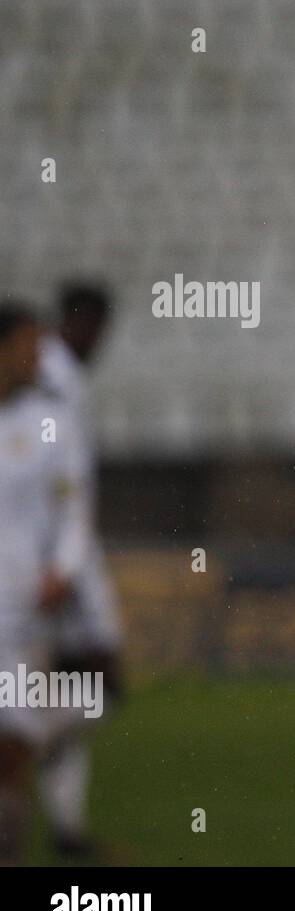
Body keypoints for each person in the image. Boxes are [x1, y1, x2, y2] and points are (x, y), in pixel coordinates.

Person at [0, 300, 91, 863]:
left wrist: (65, 568)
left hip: (22, 609)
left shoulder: (50, 422)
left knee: (14, 745)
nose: (40, 357)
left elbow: (74, 510)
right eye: (30, 345)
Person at [37, 281, 123, 860]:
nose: (99, 339)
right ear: (76, 319)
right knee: (103, 683)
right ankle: (21, 742)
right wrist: (58, 561)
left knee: (75, 688)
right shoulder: (50, 375)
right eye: (94, 324)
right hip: (55, 561)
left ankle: (68, 830)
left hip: (60, 553)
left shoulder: (60, 375)